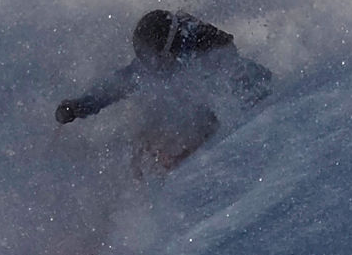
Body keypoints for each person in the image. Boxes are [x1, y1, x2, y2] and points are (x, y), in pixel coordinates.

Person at [55, 10, 273, 172]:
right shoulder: (157, 63)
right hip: (187, 119)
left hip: (220, 138)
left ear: (169, 50)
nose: (151, 66)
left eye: (155, 59)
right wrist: (79, 106)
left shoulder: (211, 60)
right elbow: (118, 84)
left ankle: (171, 177)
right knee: (145, 141)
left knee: (170, 149)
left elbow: (248, 93)